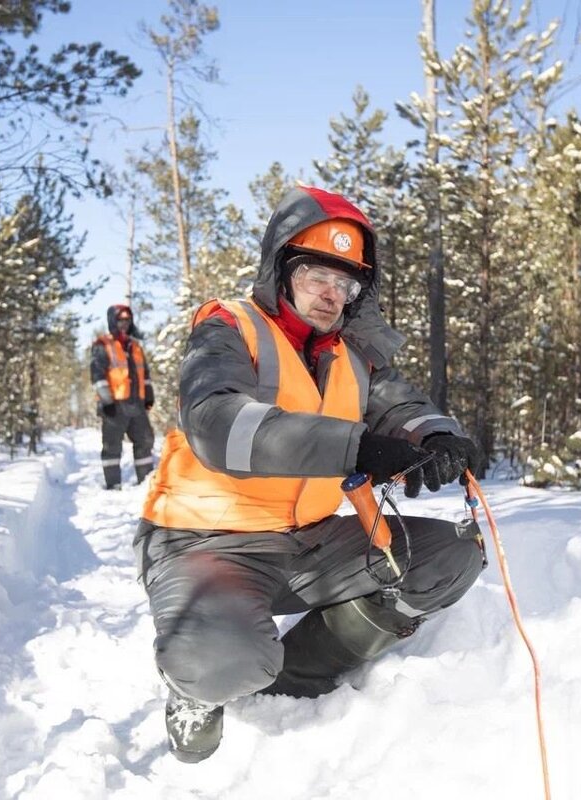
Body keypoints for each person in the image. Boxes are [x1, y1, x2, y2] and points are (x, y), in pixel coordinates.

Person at [135, 186, 486, 763]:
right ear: (282, 270)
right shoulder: (230, 328)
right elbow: (217, 421)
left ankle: (290, 680)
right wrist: (355, 448)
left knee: (449, 559)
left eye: (346, 284)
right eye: (317, 275)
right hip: (205, 544)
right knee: (225, 661)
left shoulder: (351, 352)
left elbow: (399, 405)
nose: (331, 295)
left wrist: (436, 434)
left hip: (311, 542)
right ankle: (200, 686)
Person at [91, 303, 155, 489]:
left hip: (137, 404)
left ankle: (145, 483)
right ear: (113, 320)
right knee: (112, 446)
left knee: (145, 441)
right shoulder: (103, 345)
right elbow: (97, 377)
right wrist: (107, 401)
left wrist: (148, 396)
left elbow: (146, 376)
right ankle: (113, 485)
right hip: (114, 406)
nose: (124, 323)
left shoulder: (135, 347)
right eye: (121, 319)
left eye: (128, 319)